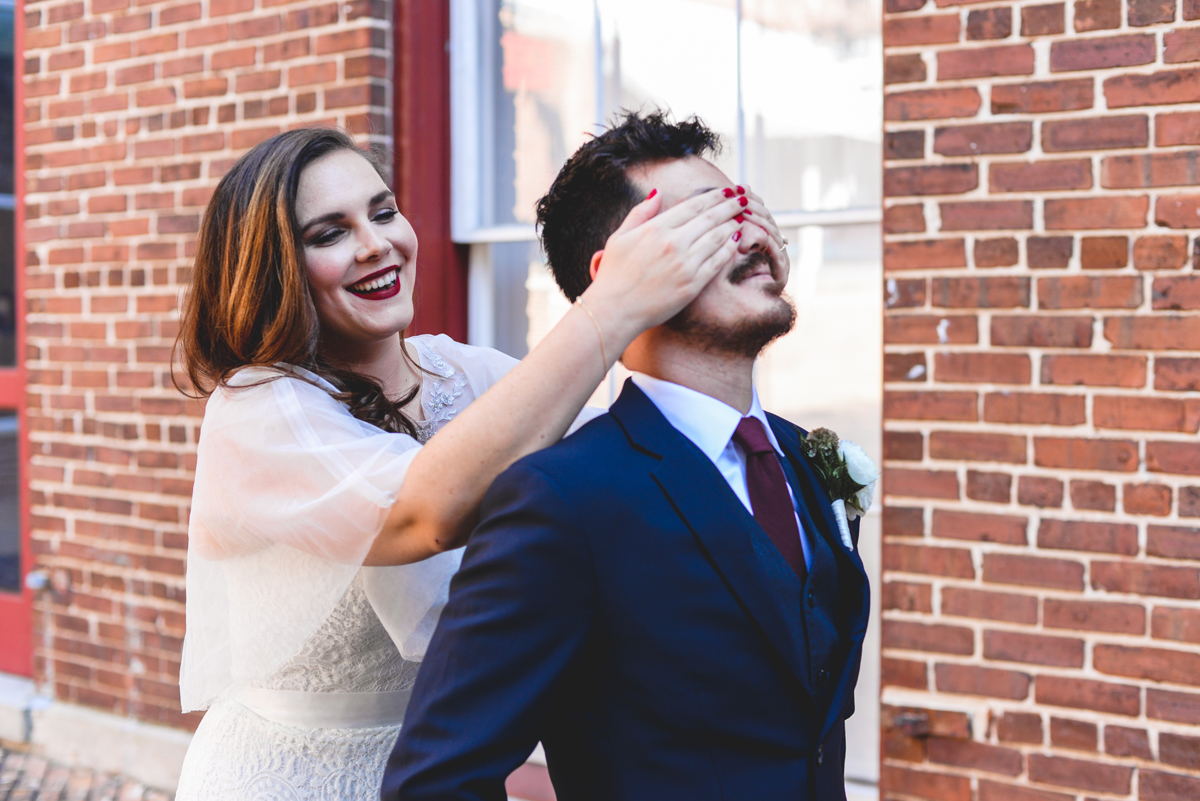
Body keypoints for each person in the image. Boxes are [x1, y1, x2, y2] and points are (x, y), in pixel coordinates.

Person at [170, 126, 747, 800]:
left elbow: (618, 454)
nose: (376, 244)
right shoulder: (258, 408)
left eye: (383, 212)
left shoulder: (458, 371)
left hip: (446, 769)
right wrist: (612, 305)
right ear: (272, 268)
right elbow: (422, 513)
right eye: (329, 234)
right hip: (290, 778)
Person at [383, 111, 872, 800]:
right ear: (617, 273)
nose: (749, 235)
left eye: (744, 209)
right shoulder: (562, 501)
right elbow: (435, 780)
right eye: (701, 224)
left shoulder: (800, 456)